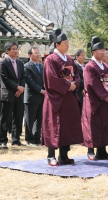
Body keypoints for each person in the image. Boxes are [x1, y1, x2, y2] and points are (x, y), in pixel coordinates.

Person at [42, 28, 83, 166]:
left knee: (67, 126)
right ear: (57, 45)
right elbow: (51, 79)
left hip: (69, 98)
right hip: (56, 98)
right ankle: (50, 155)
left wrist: (74, 84)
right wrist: (67, 85)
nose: (67, 44)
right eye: (64, 42)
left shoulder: (70, 59)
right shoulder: (50, 59)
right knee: (54, 126)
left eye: (68, 42)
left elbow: (77, 75)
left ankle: (64, 155)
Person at [81, 36, 108, 160]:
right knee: (92, 125)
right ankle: (90, 150)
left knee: (105, 125)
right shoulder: (89, 67)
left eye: (103, 50)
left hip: (106, 100)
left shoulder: (106, 67)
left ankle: (102, 151)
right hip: (94, 100)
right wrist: (104, 95)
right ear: (93, 52)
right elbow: (91, 83)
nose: (102, 52)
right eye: (99, 50)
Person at [0, 42, 25, 148]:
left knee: (18, 117)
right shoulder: (3, 62)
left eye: (17, 49)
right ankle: (2, 140)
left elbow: (23, 77)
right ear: (7, 51)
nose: (16, 51)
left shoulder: (20, 62)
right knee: (5, 117)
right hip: (8, 93)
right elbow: (5, 78)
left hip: (19, 94)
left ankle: (16, 138)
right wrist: (17, 87)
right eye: (13, 49)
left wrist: (21, 88)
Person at [24, 46, 45, 146]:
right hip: (31, 96)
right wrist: (41, 90)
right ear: (30, 55)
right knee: (30, 119)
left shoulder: (41, 66)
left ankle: (37, 137)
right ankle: (29, 138)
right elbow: (30, 82)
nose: (38, 54)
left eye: (38, 53)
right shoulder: (27, 66)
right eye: (35, 53)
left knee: (39, 119)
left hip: (42, 97)